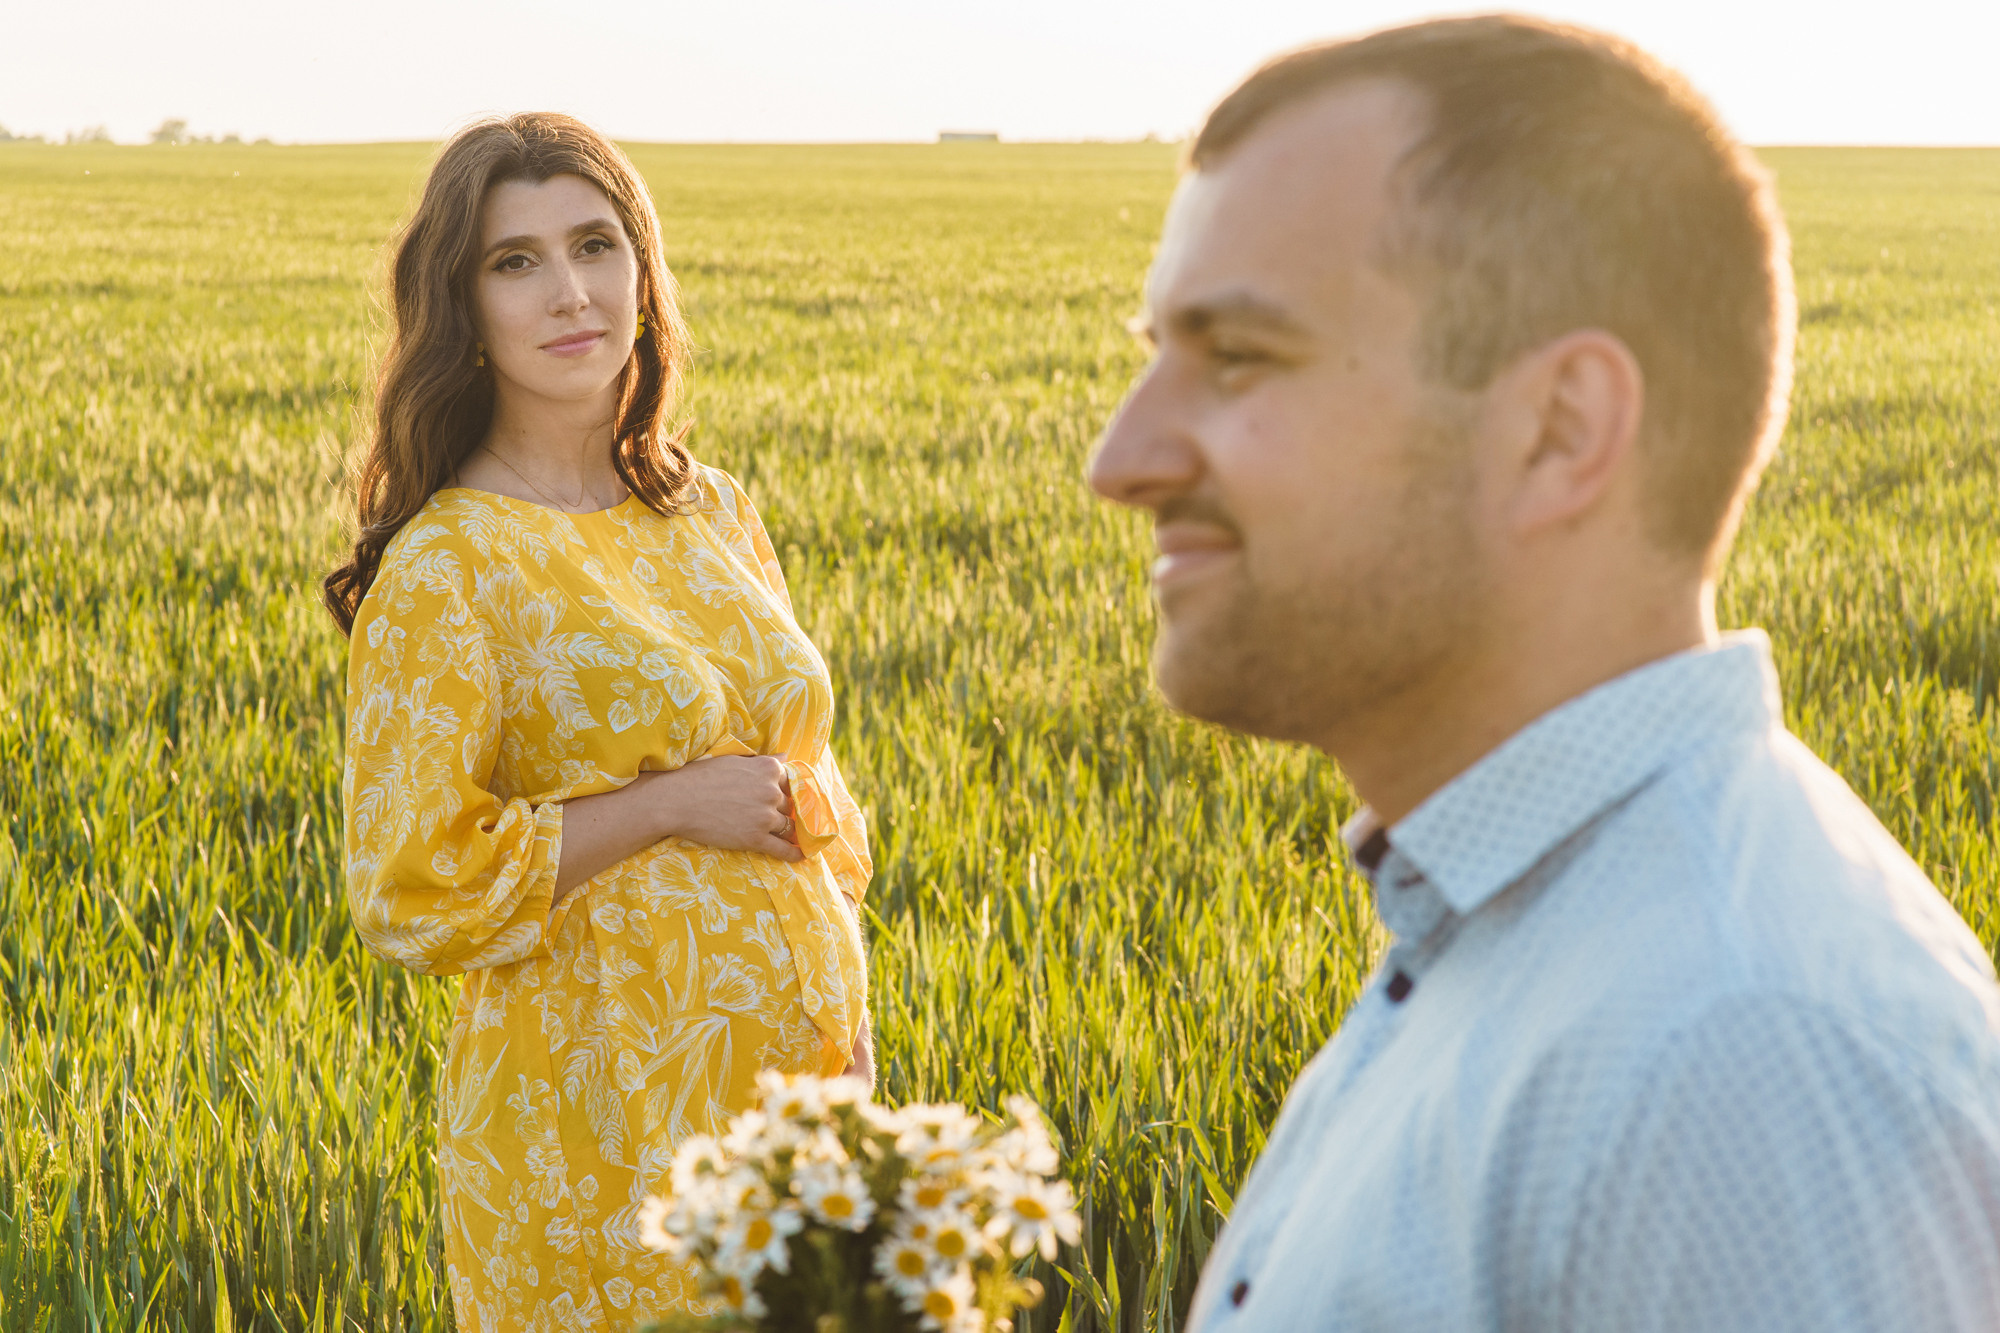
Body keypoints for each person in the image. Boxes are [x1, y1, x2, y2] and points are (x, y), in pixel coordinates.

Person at [1089, 16, 2000, 1332]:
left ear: (1560, 430)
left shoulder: (1736, 1053)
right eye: (1154, 351)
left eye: (1239, 358)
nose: (1121, 459)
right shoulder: (1532, 935)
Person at [324, 113, 874, 1330]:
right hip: (595, 1120)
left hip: (800, 1092)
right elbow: (411, 882)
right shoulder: (448, 567)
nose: (570, 292)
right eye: (513, 261)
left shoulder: (706, 508)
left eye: (594, 243)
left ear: (644, 267)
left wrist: (847, 1028)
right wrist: (669, 803)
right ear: (461, 308)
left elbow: (806, 793)